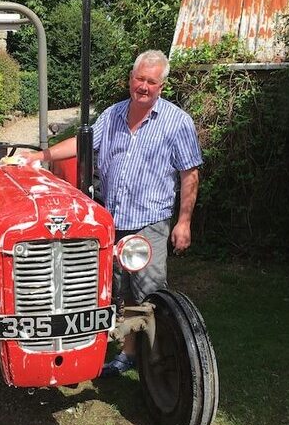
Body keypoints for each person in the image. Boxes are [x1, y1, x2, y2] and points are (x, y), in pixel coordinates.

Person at [23, 49, 203, 377]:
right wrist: (41, 156)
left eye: (151, 81)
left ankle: (159, 367)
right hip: (112, 223)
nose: (143, 86)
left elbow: (189, 174)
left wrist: (184, 221)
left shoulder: (177, 122)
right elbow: (82, 144)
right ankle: (128, 353)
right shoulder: (113, 115)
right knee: (118, 289)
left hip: (149, 222)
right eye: (139, 79)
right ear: (130, 79)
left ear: (162, 86)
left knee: (149, 292)